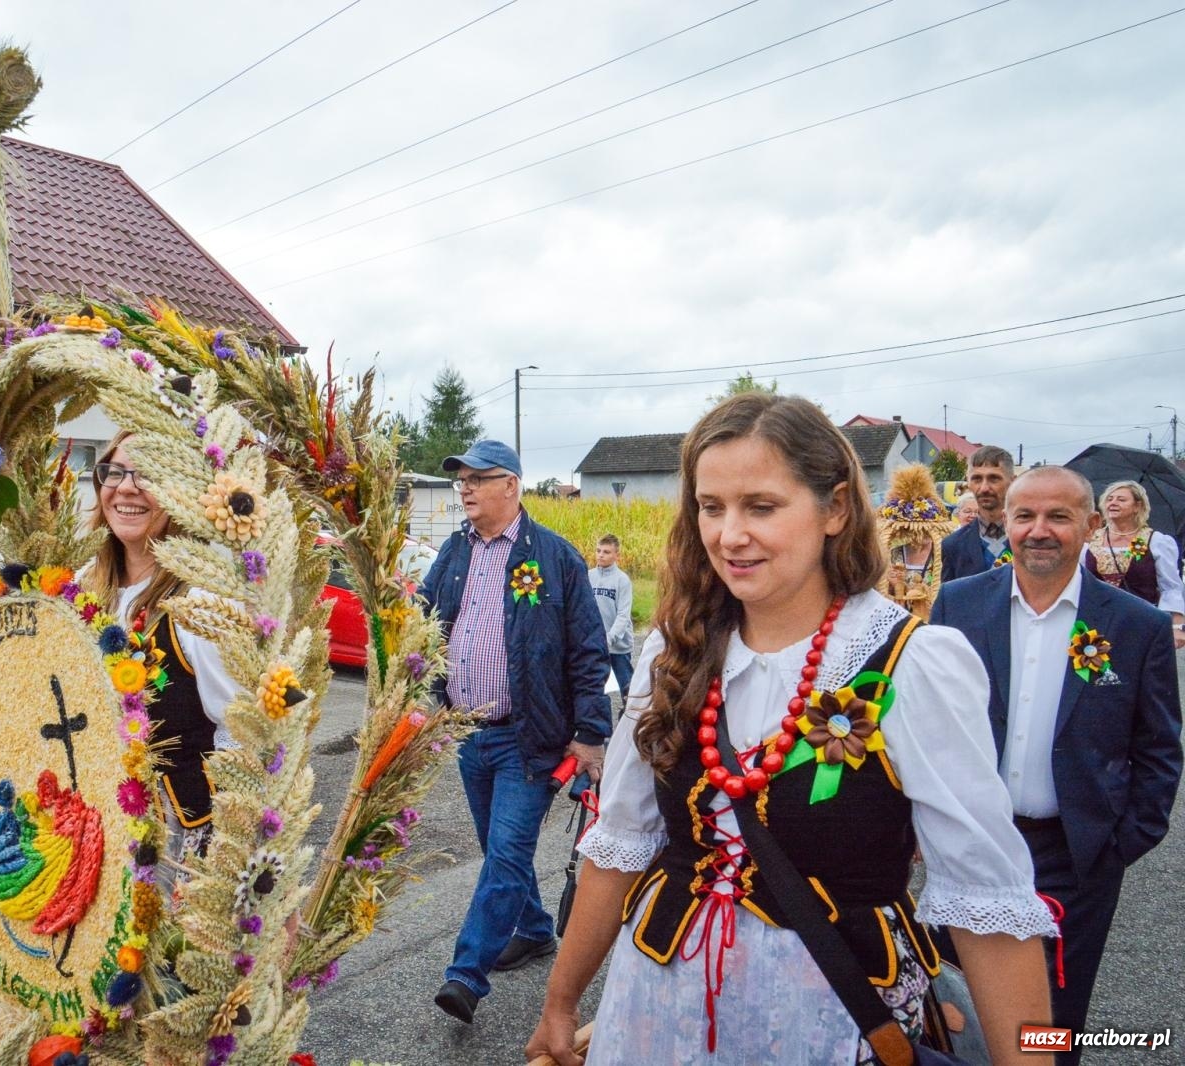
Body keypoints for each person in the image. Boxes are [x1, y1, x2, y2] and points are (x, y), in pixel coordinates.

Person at [527, 394, 1053, 1065]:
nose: (728, 535)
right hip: (658, 1009)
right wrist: (561, 1001)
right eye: (711, 507)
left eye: (761, 507)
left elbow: (989, 907)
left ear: (835, 509)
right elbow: (621, 844)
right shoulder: (673, 652)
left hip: (830, 1018)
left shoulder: (913, 664)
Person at [932, 466, 1182, 1060]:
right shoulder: (959, 604)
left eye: (1058, 517)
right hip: (970, 844)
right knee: (957, 1008)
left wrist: (1117, 844)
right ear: (1007, 522)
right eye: (1025, 516)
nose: (1039, 530)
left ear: (1090, 525)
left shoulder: (1136, 625)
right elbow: (926, 718)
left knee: (1054, 1017)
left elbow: (1159, 749)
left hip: (1075, 854)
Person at [421, 439, 611, 1023]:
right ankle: (532, 928)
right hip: (466, 733)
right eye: (462, 479)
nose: (466, 488)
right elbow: (423, 624)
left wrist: (591, 732)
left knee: (505, 854)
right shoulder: (454, 551)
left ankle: (465, 975)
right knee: (498, 848)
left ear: (512, 485)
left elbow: (588, 650)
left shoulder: (554, 557)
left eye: (479, 478)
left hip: (528, 738)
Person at [83, 432, 236, 860]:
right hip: (93, 829)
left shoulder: (202, 604)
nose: (126, 488)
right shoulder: (81, 588)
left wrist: (232, 848)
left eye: (147, 475)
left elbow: (244, 734)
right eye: (115, 472)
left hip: (177, 842)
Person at [1083, 479, 1185, 649]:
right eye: (1109, 499)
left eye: (1121, 499)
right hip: (1096, 623)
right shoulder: (1089, 540)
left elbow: (1170, 587)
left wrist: (1177, 625)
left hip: (1141, 622)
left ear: (1138, 506)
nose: (1113, 503)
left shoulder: (1156, 541)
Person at [876, 464, 952, 621]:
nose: (919, 535)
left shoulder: (944, 553)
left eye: (925, 531)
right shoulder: (893, 553)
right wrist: (893, 585)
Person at [940, 445, 1015, 581]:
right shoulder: (953, 545)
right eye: (977, 479)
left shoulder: (1032, 538)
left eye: (994, 478)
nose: (984, 488)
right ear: (968, 482)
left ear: (1012, 482)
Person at [588, 534, 635, 698]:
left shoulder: (622, 580)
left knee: (626, 686)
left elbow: (623, 615)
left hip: (618, 645)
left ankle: (630, 711)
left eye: (606, 552)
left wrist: (609, 638)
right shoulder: (588, 576)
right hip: (595, 643)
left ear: (616, 555)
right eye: (598, 551)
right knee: (594, 684)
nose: (601, 555)